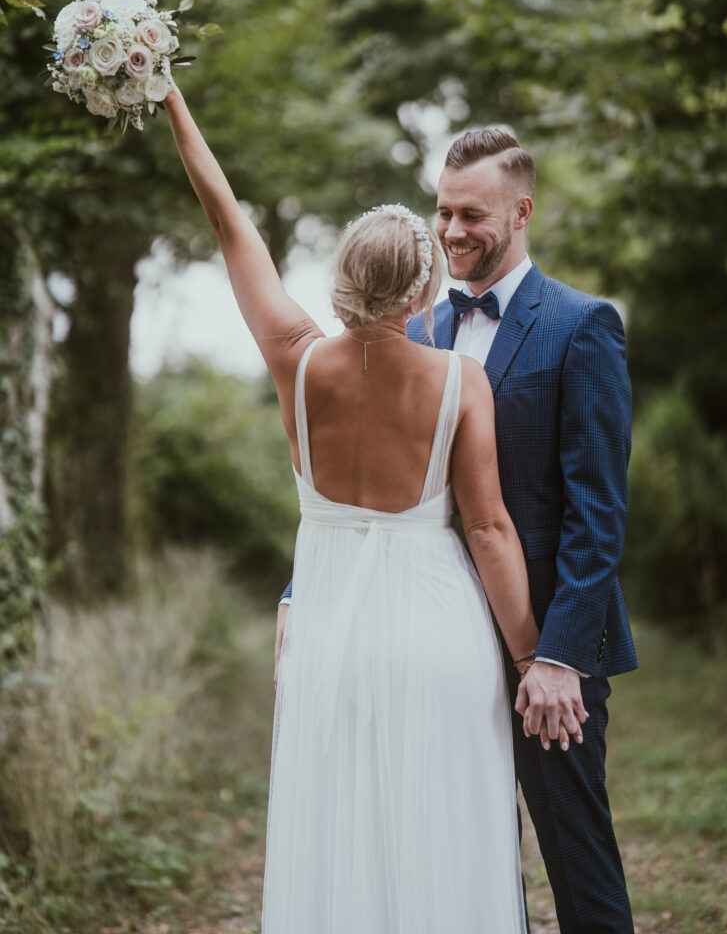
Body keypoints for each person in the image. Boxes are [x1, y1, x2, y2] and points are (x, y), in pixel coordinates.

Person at [163, 86, 580, 934]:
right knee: (443, 835)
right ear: (425, 284)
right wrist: (537, 653)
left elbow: (225, 220)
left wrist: (170, 97)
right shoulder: (460, 381)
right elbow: (492, 529)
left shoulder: (296, 362)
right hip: (440, 637)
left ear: (343, 277)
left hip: (327, 640)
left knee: (340, 833)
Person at [408, 127, 638, 933]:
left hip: (548, 654)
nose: (451, 231)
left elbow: (598, 511)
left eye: (471, 213)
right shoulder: (416, 332)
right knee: (457, 862)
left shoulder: (582, 326)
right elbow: (370, 486)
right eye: (441, 212)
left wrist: (560, 655)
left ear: (521, 212)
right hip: (434, 640)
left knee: (579, 867)